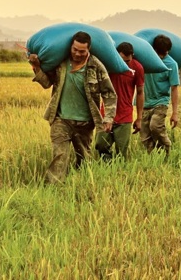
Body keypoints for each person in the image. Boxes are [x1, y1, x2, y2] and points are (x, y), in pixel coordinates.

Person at [28, 31, 117, 183]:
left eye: (82, 51)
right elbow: (46, 83)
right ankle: (52, 190)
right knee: (59, 157)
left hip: (85, 122)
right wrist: (36, 67)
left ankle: (81, 186)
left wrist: (108, 117)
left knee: (84, 159)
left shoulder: (96, 66)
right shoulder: (61, 64)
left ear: (88, 50)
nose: (77, 53)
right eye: (74, 49)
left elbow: (109, 94)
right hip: (61, 119)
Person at [95, 41, 145, 161]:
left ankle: (119, 173)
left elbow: (140, 92)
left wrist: (139, 118)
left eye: (127, 61)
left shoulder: (137, 68)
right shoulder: (108, 65)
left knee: (122, 152)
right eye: (122, 60)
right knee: (100, 145)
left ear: (132, 56)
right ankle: (107, 167)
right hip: (106, 113)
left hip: (125, 115)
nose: (125, 64)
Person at [141, 34, 179, 154]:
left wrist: (175, 113)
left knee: (155, 126)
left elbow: (174, 89)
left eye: (165, 53)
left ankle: (167, 149)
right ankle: (153, 158)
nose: (162, 56)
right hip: (145, 102)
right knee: (145, 136)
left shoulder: (171, 65)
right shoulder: (145, 60)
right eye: (159, 53)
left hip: (161, 102)